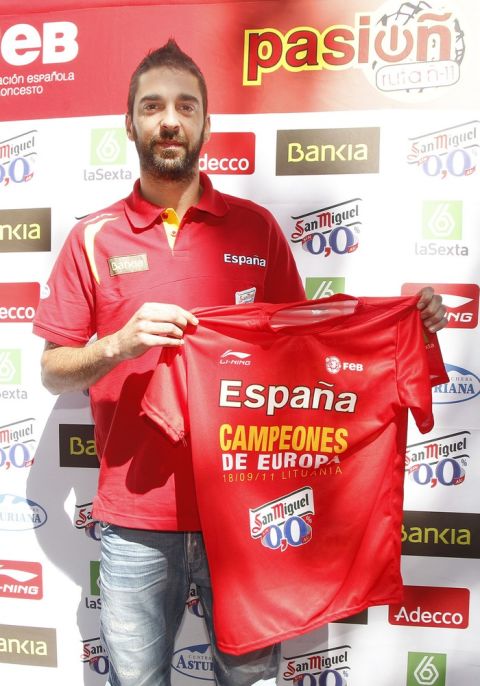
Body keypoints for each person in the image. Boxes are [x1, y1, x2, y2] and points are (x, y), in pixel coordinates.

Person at [33, 39, 447, 686]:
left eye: (185, 106)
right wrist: (118, 344)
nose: (169, 120)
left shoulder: (255, 230)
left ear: (205, 124)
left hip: (252, 514)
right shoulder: (92, 237)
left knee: (248, 681)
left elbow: (305, 350)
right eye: (152, 106)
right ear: (129, 124)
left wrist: (399, 326)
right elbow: (52, 368)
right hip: (137, 524)